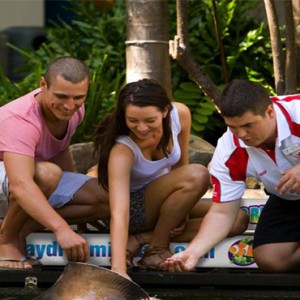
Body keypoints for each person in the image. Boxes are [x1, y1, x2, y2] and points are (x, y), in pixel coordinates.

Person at [93, 78, 249, 280]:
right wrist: (118, 269)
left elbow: (179, 168)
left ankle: (142, 239)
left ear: (165, 111)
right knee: (198, 173)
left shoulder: (180, 115)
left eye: (150, 120)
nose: (141, 128)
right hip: (133, 211)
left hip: (165, 204)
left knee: (237, 219)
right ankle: (157, 248)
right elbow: (119, 212)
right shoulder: (122, 150)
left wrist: (182, 209)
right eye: (133, 120)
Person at [164, 79, 300, 273]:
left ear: (270, 112)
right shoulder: (229, 148)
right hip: (288, 198)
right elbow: (222, 212)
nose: (242, 134)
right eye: (233, 127)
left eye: (248, 125)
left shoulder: (297, 111)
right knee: (271, 257)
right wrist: (193, 253)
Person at [0, 56, 110, 269]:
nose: (69, 106)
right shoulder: (20, 120)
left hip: (21, 180)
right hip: (14, 180)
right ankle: (6, 240)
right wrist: (61, 228)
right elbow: (20, 185)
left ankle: (21, 230)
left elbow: (59, 152)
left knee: (106, 196)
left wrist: (74, 201)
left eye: (78, 97)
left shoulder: (74, 110)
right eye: (61, 96)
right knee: (47, 174)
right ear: (43, 85)